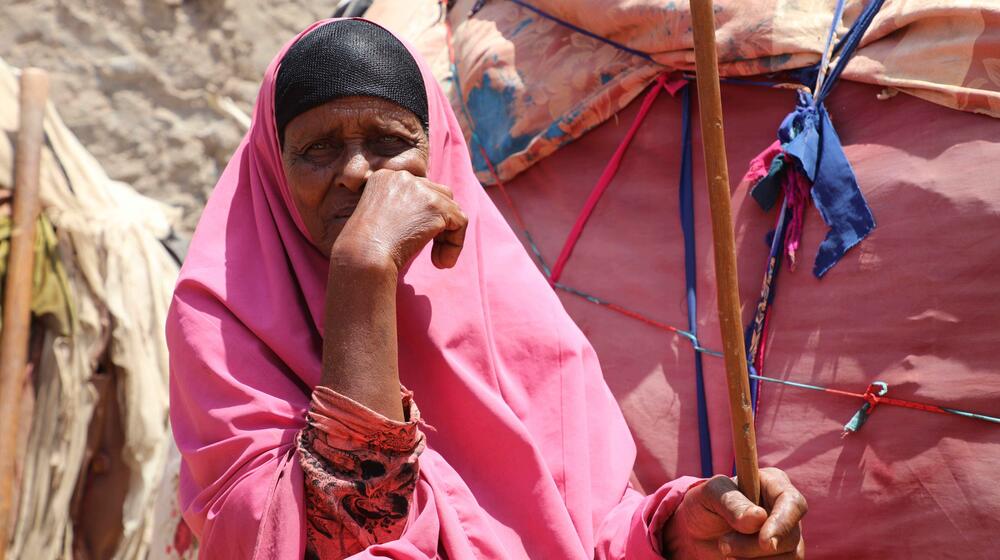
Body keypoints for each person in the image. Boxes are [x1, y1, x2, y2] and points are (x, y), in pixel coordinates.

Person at [166, 18, 807, 559]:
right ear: (275, 170)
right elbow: (333, 540)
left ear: (439, 153)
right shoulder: (221, 323)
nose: (358, 172)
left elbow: (587, 530)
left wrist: (675, 533)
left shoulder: (513, 314)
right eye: (318, 149)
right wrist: (364, 273)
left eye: (390, 141)